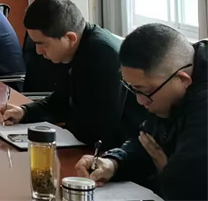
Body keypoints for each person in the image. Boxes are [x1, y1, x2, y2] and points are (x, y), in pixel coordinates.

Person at [0, 0, 147, 148]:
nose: (38, 51)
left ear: (70, 38)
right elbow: (60, 100)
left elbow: (99, 130)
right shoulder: (74, 50)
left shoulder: (102, 56)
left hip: (122, 150)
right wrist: (24, 112)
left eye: (42, 44)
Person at [75, 24, 206, 201]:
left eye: (145, 91)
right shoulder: (168, 82)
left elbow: (189, 189)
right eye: (133, 89)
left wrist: (167, 172)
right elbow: (147, 141)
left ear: (182, 79)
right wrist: (113, 162)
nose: (140, 101)